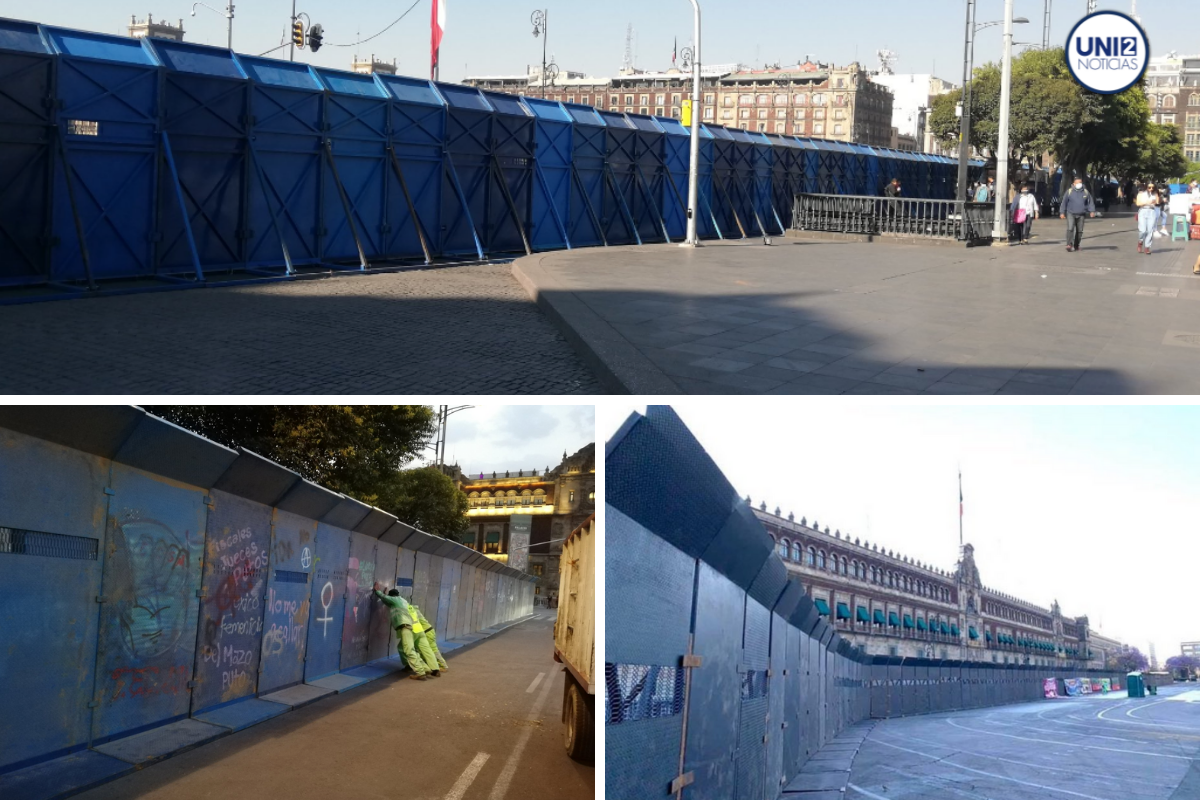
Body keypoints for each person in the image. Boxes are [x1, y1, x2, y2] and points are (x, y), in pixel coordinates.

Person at [372, 582, 439, 680]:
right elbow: (387, 601)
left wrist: (377, 591)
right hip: (411, 628)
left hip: (405, 627)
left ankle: (420, 672)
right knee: (405, 648)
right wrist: (385, 595)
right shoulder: (403, 601)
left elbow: (386, 599)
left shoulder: (395, 600)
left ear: (393, 597)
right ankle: (425, 668)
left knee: (408, 650)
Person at [1059, 176, 1095, 252]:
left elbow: (1090, 202)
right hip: (1071, 213)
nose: (1079, 184)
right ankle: (1069, 244)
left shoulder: (1085, 192)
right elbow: (1064, 202)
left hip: (1081, 214)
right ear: (1074, 184)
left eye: (1080, 182)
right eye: (1078, 183)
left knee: (1080, 231)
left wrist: (1092, 211)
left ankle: (1076, 245)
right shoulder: (1069, 191)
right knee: (1070, 228)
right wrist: (1062, 212)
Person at [411, 604, 449, 674]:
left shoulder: (412, 612)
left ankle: (443, 666)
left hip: (427, 632)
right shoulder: (415, 610)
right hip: (428, 631)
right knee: (431, 649)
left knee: (433, 650)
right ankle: (439, 665)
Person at [1136, 181, 1160, 255]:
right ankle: (1140, 241)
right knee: (1142, 230)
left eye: (1153, 187)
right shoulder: (1141, 194)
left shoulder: (1155, 194)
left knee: (1150, 230)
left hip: (1152, 212)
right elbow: (1138, 203)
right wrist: (1147, 202)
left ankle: (1147, 247)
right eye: (1149, 187)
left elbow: (1158, 202)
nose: (1151, 189)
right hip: (1143, 210)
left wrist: (1156, 200)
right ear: (1146, 187)